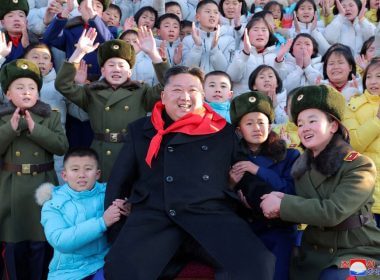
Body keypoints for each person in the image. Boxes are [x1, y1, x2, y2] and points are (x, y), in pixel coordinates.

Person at [103, 65, 275, 280]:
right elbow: (119, 182)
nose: (185, 97)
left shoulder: (222, 131)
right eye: (177, 90)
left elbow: (244, 175)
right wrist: (117, 231)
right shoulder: (141, 130)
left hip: (211, 216)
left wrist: (264, 198)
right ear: (163, 96)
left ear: (202, 96)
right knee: (121, 270)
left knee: (258, 263)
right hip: (154, 218)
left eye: (193, 90)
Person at [260, 84, 380, 279]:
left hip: (361, 252)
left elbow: (332, 212)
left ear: (333, 125)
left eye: (312, 121)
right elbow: (306, 205)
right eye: (300, 124)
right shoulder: (301, 167)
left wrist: (283, 205)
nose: (304, 128)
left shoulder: (358, 165)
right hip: (315, 253)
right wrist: (282, 198)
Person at [55, 27, 169, 181]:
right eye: (111, 65)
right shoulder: (91, 92)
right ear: (102, 70)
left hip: (131, 151)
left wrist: (153, 55)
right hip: (101, 154)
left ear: (130, 72)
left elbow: (168, 87)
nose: (116, 69)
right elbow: (63, 85)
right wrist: (79, 53)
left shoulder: (141, 92)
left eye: (122, 66)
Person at [0, 59, 68, 280]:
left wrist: (35, 129)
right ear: (8, 94)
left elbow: (61, 147)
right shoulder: (2, 119)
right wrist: (10, 130)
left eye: (31, 88)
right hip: (11, 187)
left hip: (43, 186)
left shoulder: (51, 116)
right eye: (19, 88)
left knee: (41, 245)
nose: (26, 92)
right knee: (14, 246)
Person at [229, 91, 300, 280]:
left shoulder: (290, 155)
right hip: (245, 230)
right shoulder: (230, 157)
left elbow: (291, 191)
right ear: (238, 130)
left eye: (262, 122)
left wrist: (257, 170)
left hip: (279, 230)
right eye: (249, 123)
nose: (257, 128)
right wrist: (231, 185)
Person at [38, 148, 128, 280]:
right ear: (64, 175)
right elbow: (60, 240)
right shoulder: (53, 204)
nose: (82, 174)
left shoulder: (108, 194)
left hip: (104, 264)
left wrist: (130, 209)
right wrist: (101, 223)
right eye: (75, 169)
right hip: (69, 272)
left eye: (88, 169)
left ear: (97, 174)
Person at [343, 58, 380, 227]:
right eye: (369, 76)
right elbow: (354, 143)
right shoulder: (352, 106)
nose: (373, 81)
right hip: (368, 193)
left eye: (379, 76)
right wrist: (377, 120)